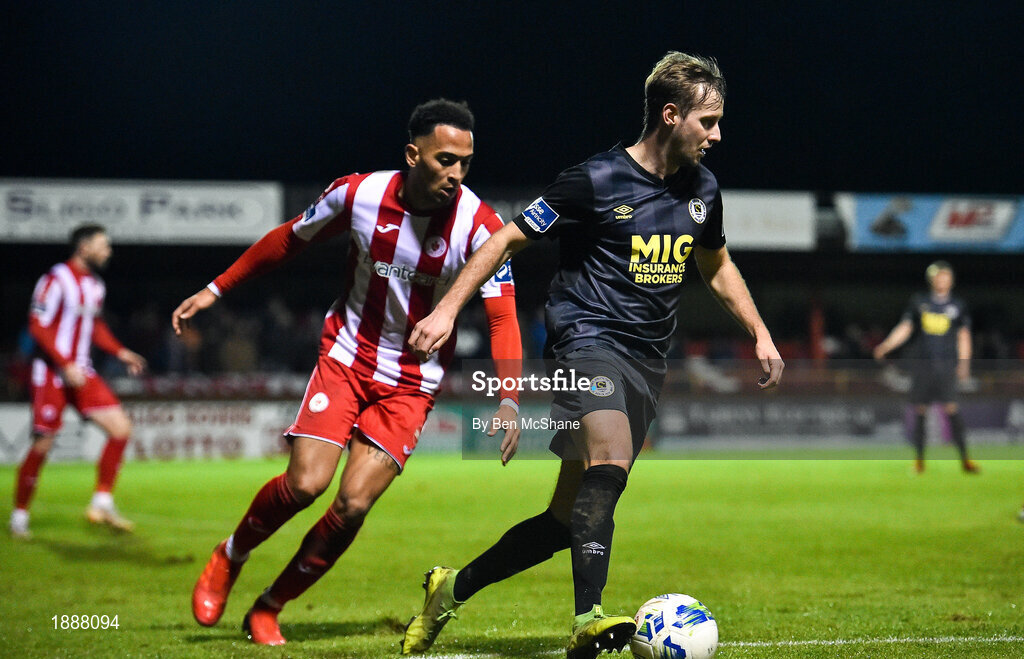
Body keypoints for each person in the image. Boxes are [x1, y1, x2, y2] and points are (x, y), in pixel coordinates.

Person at [403, 52, 784, 659]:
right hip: (586, 341)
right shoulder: (594, 180)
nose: (717, 135)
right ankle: (589, 616)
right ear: (670, 115)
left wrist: (760, 332)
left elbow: (714, 264)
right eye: (707, 121)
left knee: (563, 521)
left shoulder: (704, 190)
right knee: (613, 457)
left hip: (646, 361)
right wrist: (448, 309)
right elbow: (506, 237)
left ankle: (450, 589)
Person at [171, 99, 523, 646]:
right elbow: (288, 238)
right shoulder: (358, 194)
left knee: (354, 502)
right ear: (413, 154)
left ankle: (270, 606)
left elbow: (503, 317)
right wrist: (216, 289)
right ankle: (231, 553)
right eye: (445, 160)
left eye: (465, 163)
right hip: (347, 357)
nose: (456, 175)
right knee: (306, 483)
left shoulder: (482, 227)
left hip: (412, 381)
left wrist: (509, 399)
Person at [9, 224, 147, 539]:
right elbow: (38, 325)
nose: (108, 251)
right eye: (103, 245)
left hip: (82, 373)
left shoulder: (95, 285)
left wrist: (120, 351)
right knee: (43, 444)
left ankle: (102, 501)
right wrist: (64, 363)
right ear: (84, 247)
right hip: (52, 374)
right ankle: (19, 516)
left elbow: (93, 326)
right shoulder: (55, 279)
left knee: (121, 428)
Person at [874, 261, 978, 473]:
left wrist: (964, 362)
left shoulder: (957, 306)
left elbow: (963, 336)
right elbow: (906, 327)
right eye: (939, 277)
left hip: (946, 366)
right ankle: (919, 461)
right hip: (922, 367)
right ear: (932, 280)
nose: (942, 280)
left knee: (952, 410)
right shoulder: (919, 302)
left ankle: (965, 460)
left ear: (951, 280)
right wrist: (887, 344)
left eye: (945, 276)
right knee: (920, 411)